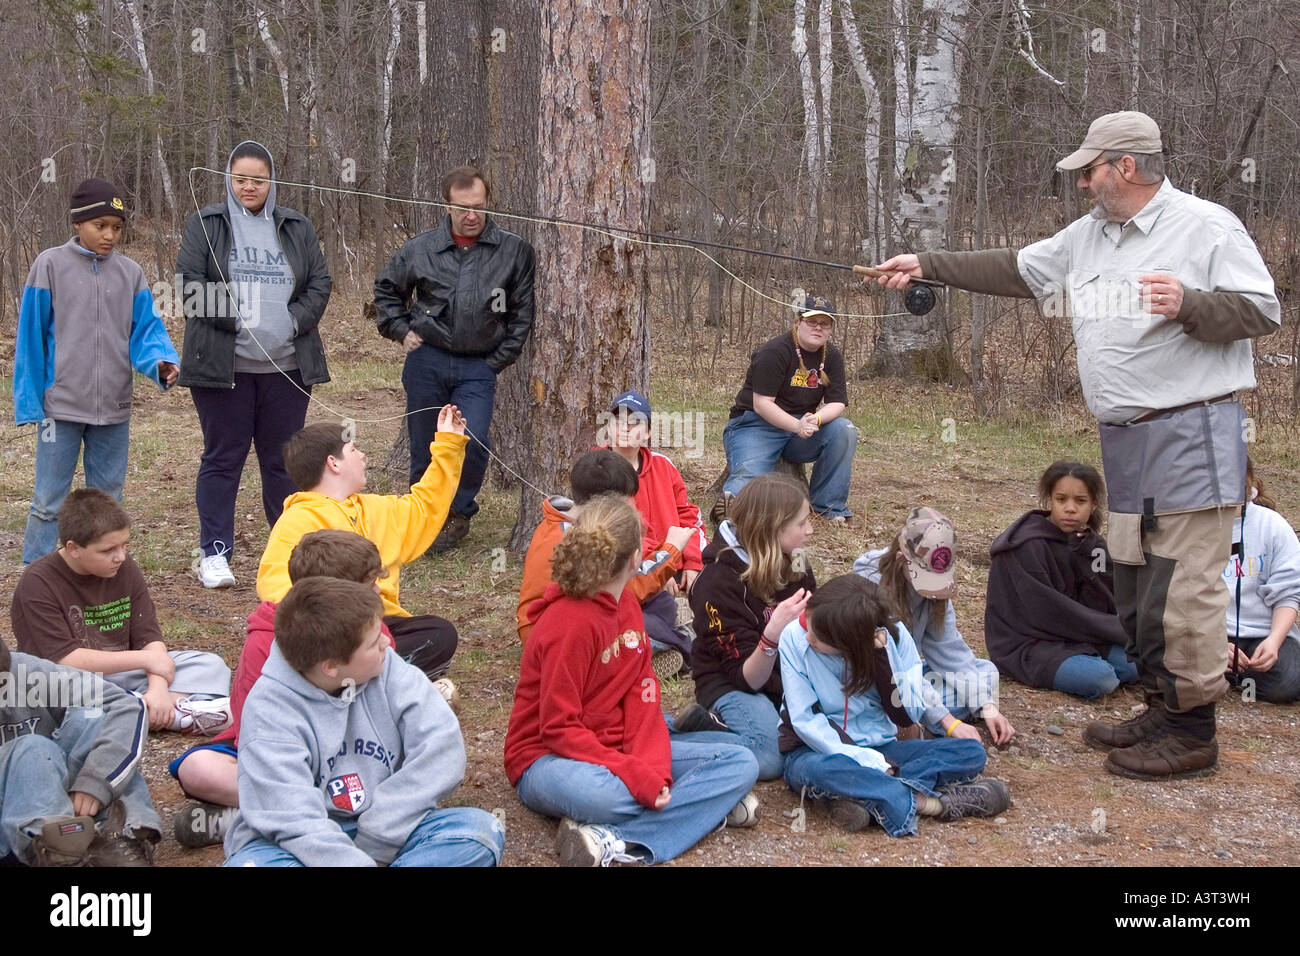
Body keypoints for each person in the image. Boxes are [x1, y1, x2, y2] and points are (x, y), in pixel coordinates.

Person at [871, 111, 1281, 779]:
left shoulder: (1205, 226)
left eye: (1090, 170)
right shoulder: (1090, 236)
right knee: (1132, 582)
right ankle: (1161, 705)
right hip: (1123, 441)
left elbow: (1264, 310)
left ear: (1126, 166)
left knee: (1181, 589)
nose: (1083, 183)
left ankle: (1193, 730)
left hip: (1193, 432)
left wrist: (1190, 303)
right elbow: (1016, 268)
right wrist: (928, 265)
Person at [504, 495, 759, 866]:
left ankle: (612, 837)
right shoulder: (567, 624)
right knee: (605, 797)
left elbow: (642, 697)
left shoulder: (625, 604)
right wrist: (633, 772)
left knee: (740, 762)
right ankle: (699, 809)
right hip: (547, 757)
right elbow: (557, 728)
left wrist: (649, 767)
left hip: (617, 742)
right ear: (636, 556)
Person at [169, 530, 460, 848]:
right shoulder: (265, 643)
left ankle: (257, 819)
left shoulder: (371, 634)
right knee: (197, 768)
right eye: (369, 584)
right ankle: (293, 817)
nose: (379, 589)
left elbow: (405, 718)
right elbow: (251, 731)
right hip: (289, 758)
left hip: (359, 754)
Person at [223, 577, 502, 866]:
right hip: (294, 847)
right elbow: (294, 820)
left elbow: (441, 750)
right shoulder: (270, 709)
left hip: (384, 825)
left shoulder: (387, 666)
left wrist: (379, 837)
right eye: (372, 643)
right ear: (331, 666)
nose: (386, 642)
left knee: (479, 832)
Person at [176, 140, 333, 589]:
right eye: (240, 178)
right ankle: (215, 555)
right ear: (229, 179)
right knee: (223, 458)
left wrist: (292, 321)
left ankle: (287, 552)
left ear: (272, 182)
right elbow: (189, 284)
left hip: (287, 368)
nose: (249, 187)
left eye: (258, 179)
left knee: (282, 461)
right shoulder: (206, 223)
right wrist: (237, 321)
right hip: (223, 367)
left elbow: (320, 282)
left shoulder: (296, 225)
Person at [14, 177, 178, 565]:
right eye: (100, 226)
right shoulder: (49, 265)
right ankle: (38, 576)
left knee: (107, 500)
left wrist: (161, 363)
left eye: (117, 228)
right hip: (61, 409)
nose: (109, 235)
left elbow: (146, 332)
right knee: (49, 500)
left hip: (114, 408)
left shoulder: (130, 273)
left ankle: (103, 570)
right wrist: (30, 401)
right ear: (78, 224)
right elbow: (30, 337)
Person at [373, 165, 535, 553]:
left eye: (478, 206)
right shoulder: (420, 248)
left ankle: (458, 512)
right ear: (446, 206)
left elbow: (522, 313)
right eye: (462, 208)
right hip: (426, 360)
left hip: (478, 365)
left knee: (473, 438)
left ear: (489, 203)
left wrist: (497, 360)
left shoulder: (513, 251)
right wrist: (399, 329)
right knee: (424, 440)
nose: (471, 215)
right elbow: (386, 291)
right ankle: (422, 517)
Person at [779, 575, 1011, 836]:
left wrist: (882, 659)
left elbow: (908, 714)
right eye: (807, 625)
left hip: (884, 749)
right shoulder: (793, 638)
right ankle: (934, 804)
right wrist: (875, 764)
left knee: (971, 752)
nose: (808, 637)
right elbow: (806, 722)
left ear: (849, 644)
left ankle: (863, 798)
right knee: (819, 771)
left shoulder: (895, 636)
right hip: (817, 751)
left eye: (819, 637)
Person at [256, 407, 467, 680]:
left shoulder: (376, 508)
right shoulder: (297, 520)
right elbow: (275, 588)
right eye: (354, 450)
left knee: (439, 634)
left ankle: (369, 674)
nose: (362, 455)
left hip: (381, 625)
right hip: (331, 632)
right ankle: (365, 676)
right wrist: (333, 617)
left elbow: (425, 506)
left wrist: (448, 444)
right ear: (334, 463)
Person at [10, 489, 232, 735]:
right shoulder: (39, 581)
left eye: (124, 545)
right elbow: (66, 659)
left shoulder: (124, 568)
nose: (120, 556)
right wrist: (148, 661)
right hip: (64, 682)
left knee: (210, 665)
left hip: (121, 674)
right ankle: (177, 713)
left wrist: (157, 687)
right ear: (73, 548)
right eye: (107, 550)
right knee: (57, 698)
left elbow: (149, 637)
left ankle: (148, 709)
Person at [517, 449, 695, 677]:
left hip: (579, 615)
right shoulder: (577, 538)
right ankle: (662, 650)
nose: (630, 507)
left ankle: (658, 641)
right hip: (557, 640)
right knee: (638, 620)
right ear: (607, 504)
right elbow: (626, 589)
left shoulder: (569, 520)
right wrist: (671, 551)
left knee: (661, 602)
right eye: (625, 502)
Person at [689, 473, 815, 779]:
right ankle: (699, 731)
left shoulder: (795, 560)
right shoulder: (717, 583)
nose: (810, 531)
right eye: (802, 523)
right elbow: (746, 679)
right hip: (733, 682)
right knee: (769, 759)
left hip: (788, 676)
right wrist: (771, 637)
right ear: (773, 529)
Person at [854, 507, 1015, 743]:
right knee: (912, 697)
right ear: (902, 560)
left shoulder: (933, 594)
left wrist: (987, 707)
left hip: (910, 679)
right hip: (877, 681)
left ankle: (910, 721)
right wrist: (947, 721)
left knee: (986, 673)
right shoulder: (870, 588)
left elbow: (949, 650)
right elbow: (895, 667)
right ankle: (907, 723)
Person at [0, 641, 161, 866]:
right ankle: (59, 853)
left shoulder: (26, 672)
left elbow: (126, 704)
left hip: (66, 804)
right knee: (32, 748)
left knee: (92, 718)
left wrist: (96, 783)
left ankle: (119, 837)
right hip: (17, 831)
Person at [985, 462, 1136, 699]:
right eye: (1061, 499)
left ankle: (1092, 663)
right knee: (1101, 679)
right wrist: (1109, 632)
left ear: (1093, 504)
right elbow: (1043, 613)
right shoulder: (1027, 545)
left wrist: (1085, 558)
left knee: (1137, 665)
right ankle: (1092, 667)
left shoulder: (1093, 546)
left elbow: (1107, 602)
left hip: (1081, 634)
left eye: (1080, 501)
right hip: (1030, 643)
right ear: (1049, 500)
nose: (1070, 508)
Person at [717, 294, 856, 527]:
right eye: (812, 322)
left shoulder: (831, 356)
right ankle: (733, 511)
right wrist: (796, 425)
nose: (818, 328)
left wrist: (816, 419)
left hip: (799, 429)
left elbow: (838, 402)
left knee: (845, 430)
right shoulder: (775, 351)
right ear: (798, 322)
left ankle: (829, 506)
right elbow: (762, 404)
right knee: (752, 474)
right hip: (755, 425)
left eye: (825, 323)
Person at [1223, 459, 1300, 703]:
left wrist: (1274, 642)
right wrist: (1212, 643)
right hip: (1209, 632)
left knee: (1288, 680)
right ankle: (1219, 671)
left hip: (1262, 634)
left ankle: (1227, 676)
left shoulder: (1272, 524)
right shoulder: (1193, 525)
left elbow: (1288, 593)